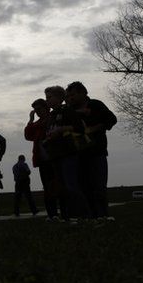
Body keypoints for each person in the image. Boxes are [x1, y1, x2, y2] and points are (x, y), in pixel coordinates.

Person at [65, 81, 117, 220]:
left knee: (99, 186)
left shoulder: (96, 105)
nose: (71, 98)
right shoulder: (69, 110)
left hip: (96, 152)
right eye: (69, 95)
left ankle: (103, 215)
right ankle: (91, 216)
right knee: (84, 187)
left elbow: (112, 120)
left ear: (83, 93)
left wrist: (92, 129)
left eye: (73, 95)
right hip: (78, 154)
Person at [42, 86, 91, 221]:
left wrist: (62, 129)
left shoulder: (67, 111)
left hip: (68, 152)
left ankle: (84, 215)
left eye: (49, 97)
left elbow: (79, 128)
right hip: (55, 154)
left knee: (71, 185)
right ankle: (68, 215)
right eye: (46, 98)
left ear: (59, 98)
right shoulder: (51, 116)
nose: (47, 100)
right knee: (62, 187)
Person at [25, 98, 66, 221]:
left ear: (46, 108)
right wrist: (31, 120)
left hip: (55, 158)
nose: (37, 112)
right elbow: (28, 135)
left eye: (39, 109)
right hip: (43, 160)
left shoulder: (53, 118)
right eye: (35, 110)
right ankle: (52, 214)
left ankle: (65, 213)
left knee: (59, 186)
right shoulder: (37, 124)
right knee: (48, 188)